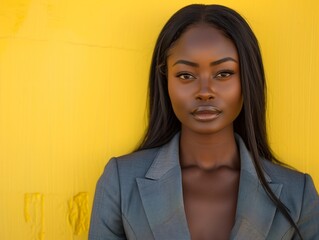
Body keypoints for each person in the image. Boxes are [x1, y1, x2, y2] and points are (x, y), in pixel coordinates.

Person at [89, 4, 319, 240]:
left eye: (224, 73)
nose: (205, 92)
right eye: (186, 75)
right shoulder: (120, 182)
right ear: (165, 80)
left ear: (248, 79)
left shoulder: (297, 194)